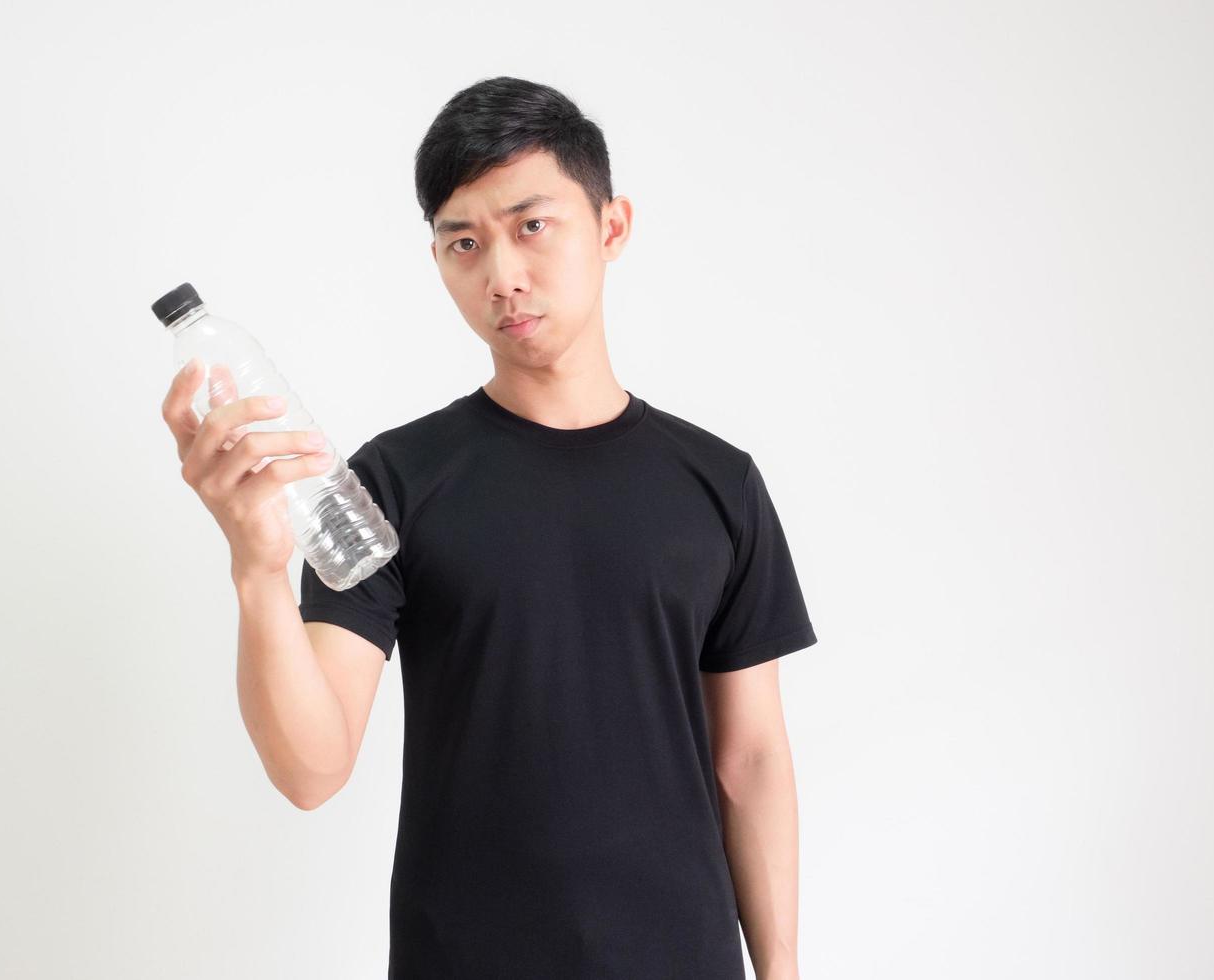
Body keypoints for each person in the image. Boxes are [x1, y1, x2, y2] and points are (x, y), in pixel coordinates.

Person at [161, 75, 817, 980]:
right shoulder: (393, 480)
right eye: (462, 242)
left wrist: (779, 971)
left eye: (530, 225)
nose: (500, 274)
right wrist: (255, 571)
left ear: (611, 226)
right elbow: (311, 771)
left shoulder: (716, 483)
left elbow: (748, 759)